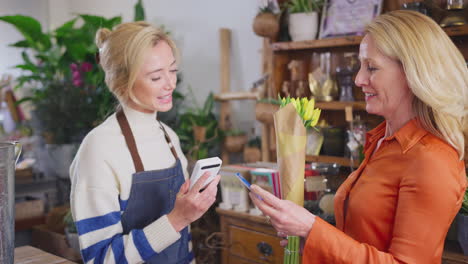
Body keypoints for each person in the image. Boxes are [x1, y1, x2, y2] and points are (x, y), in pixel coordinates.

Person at [249, 10, 467, 264]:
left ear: (414, 73)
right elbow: (361, 241)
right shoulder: (382, 142)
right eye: (361, 66)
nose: (358, 79)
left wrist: (312, 229)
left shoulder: (432, 160)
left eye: (372, 68)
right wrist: (310, 237)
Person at [69, 21, 220, 264]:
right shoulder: (99, 149)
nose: (170, 83)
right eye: (156, 76)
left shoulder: (168, 137)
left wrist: (189, 213)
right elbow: (100, 258)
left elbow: (184, 241)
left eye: (172, 71)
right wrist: (177, 219)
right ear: (123, 81)